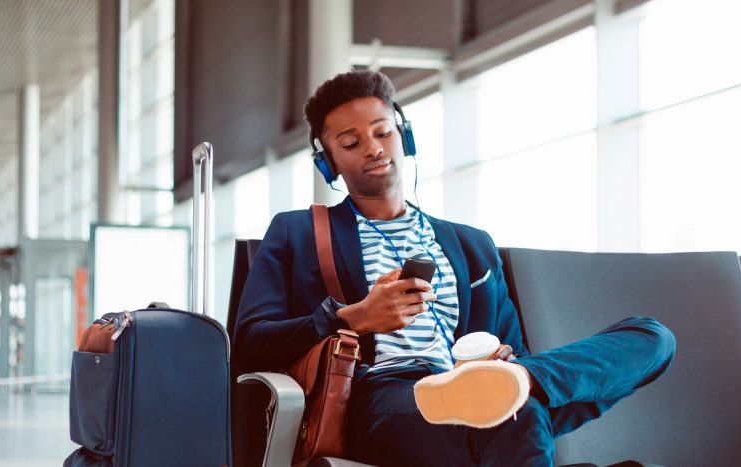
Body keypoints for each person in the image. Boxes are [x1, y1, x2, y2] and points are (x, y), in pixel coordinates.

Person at [234, 70, 675, 466]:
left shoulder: (471, 244)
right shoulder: (298, 232)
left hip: (477, 387)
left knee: (652, 337)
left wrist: (508, 363)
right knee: (513, 414)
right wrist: (355, 318)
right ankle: (501, 392)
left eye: (383, 132)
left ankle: (512, 384)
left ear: (404, 136)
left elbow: (512, 342)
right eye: (351, 143)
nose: (373, 148)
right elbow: (251, 343)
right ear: (328, 162)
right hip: (384, 399)